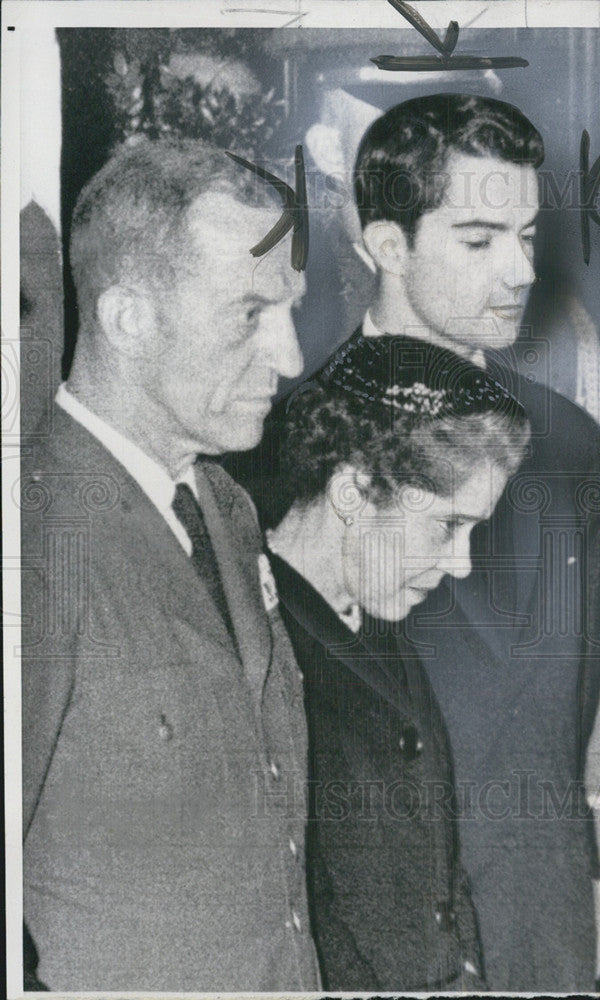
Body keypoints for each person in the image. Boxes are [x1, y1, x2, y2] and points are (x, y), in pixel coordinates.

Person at [232, 92, 600, 990]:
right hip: (364, 930)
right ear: (387, 246)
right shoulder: (265, 456)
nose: (518, 271)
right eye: (479, 241)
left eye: (526, 236)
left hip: (537, 912)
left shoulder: (566, 447)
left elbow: (592, 688)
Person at [19, 138, 320, 991]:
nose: (290, 358)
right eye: (249, 314)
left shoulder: (225, 508)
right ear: (128, 320)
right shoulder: (33, 536)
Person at [262, 334, 530, 990]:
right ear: (355, 488)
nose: (461, 563)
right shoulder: (261, 640)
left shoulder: (378, 621)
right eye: (447, 525)